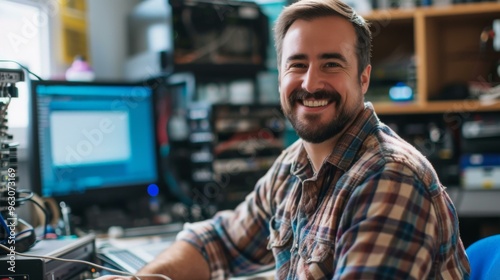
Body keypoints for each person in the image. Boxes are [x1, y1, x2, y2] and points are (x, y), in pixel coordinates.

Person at [97, 0, 470, 279]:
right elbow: (218, 242)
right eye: (297, 64)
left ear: (364, 78)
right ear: (280, 78)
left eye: (331, 64)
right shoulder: (295, 164)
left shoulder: (390, 179)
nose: (310, 83)